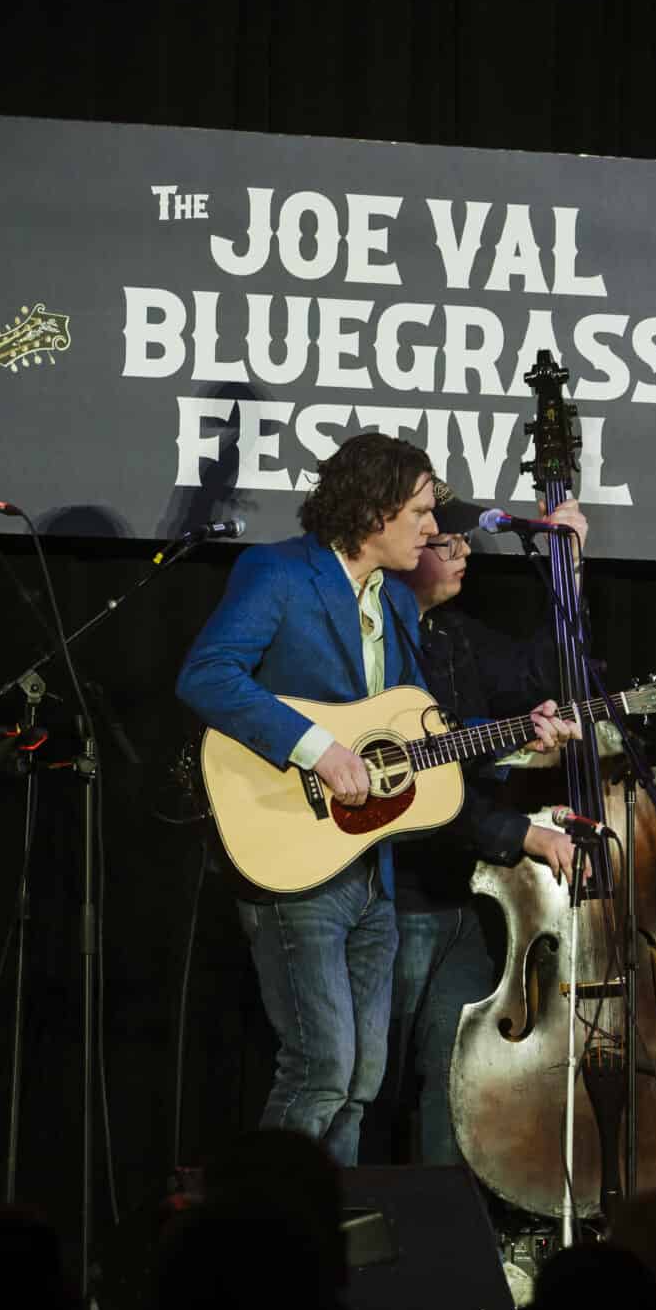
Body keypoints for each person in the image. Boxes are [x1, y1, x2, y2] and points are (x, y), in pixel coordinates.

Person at [176, 435, 572, 1164]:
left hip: (371, 868)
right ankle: (262, 1214)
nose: (432, 528)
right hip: (292, 854)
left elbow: (417, 733)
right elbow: (206, 675)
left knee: (361, 1081)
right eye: (420, 511)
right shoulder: (279, 572)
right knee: (322, 1069)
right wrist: (317, 749)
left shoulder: (391, 598)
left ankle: (331, 1221)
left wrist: (521, 734)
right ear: (373, 510)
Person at [372, 491, 585, 1165]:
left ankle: (443, 1220)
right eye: (447, 542)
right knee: (371, 1087)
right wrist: (523, 834)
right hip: (394, 901)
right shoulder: (375, 644)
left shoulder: (453, 634)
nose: (464, 553)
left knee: (456, 1083)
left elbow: (540, 674)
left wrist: (568, 573)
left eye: (464, 540)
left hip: (456, 899)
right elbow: (419, 791)